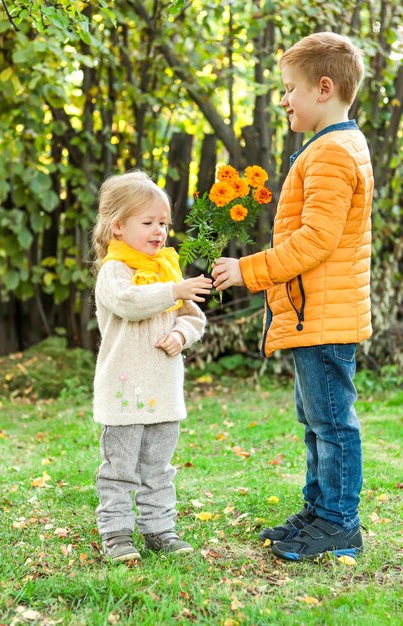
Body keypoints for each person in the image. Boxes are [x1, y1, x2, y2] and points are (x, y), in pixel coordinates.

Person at [212, 32, 373, 561]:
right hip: (316, 314)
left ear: (323, 88)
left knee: (332, 423)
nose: (284, 100)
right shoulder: (332, 147)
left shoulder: (330, 153)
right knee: (317, 420)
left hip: (324, 316)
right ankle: (319, 509)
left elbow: (314, 241)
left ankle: (338, 523)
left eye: (290, 89)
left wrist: (247, 270)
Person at [92, 170, 212, 562]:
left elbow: (193, 316)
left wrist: (181, 334)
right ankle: (117, 533)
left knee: (158, 468)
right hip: (124, 391)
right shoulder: (114, 272)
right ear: (119, 227)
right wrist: (174, 291)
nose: (159, 231)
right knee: (120, 468)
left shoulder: (167, 268)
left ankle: (160, 529)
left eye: (164, 223)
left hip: (163, 389)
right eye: (148, 222)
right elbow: (130, 302)